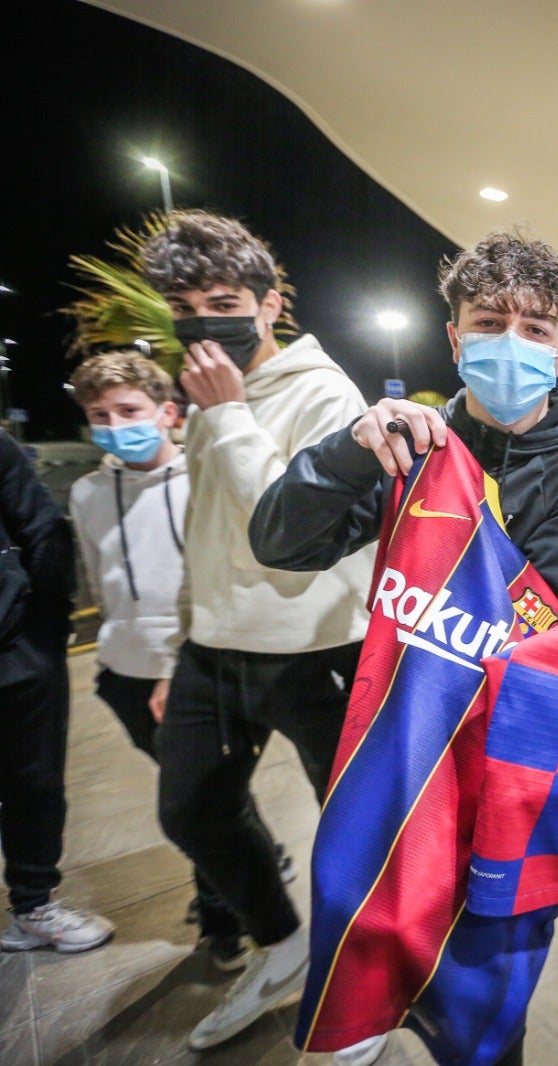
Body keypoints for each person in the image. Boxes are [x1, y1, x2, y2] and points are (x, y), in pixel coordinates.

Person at [250, 229, 558, 1065]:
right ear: (453, 337)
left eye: (535, 328)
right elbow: (279, 542)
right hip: (440, 759)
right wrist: (347, 452)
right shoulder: (403, 450)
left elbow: (525, 621)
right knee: (473, 976)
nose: (509, 344)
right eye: (488, 323)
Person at [138, 210, 376, 1051]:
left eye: (225, 300)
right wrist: (182, 646)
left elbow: (296, 543)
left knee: (352, 833)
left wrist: (233, 416)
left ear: (271, 305)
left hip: (317, 651)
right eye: (184, 305)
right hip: (214, 651)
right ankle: (283, 945)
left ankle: (367, 987)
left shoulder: (324, 393)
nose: (204, 322)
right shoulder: (208, 398)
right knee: (192, 809)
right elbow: (205, 530)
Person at [65, 350, 293, 973]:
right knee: (200, 799)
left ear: (167, 412)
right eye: (99, 414)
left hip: (198, 666)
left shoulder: (201, 479)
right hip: (124, 673)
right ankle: (258, 860)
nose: (115, 424)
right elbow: (99, 576)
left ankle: (224, 916)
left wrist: (181, 659)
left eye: (128, 410)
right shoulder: (87, 492)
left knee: (197, 803)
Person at [0, 428, 115, 955]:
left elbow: (44, 530)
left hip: (17, 651)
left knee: (34, 782)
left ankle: (32, 905)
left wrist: (43, 630)